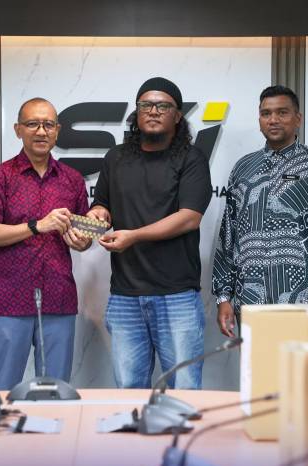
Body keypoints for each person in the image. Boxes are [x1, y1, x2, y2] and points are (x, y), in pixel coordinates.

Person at [88, 77, 212, 389]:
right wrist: (96, 215)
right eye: (146, 105)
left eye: (163, 106)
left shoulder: (191, 158)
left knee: (184, 391)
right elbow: (102, 205)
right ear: (137, 111)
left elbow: (189, 218)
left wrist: (132, 236)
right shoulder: (116, 158)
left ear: (178, 115)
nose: (153, 111)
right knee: (129, 391)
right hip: (125, 296)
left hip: (177, 295)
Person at [0, 98, 91, 391]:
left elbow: (84, 235)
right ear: (18, 130)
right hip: (9, 299)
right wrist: (36, 226)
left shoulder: (72, 180)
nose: (41, 131)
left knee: (56, 391)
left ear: (57, 130)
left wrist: (82, 242)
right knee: (4, 390)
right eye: (32, 124)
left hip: (58, 298)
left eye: (48, 124)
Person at [212, 85, 308, 337]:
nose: (273, 119)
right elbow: (228, 235)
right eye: (266, 113)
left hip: (303, 302)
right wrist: (223, 296)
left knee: (300, 363)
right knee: (254, 363)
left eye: (282, 112)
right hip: (249, 299)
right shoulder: (243, 168)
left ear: (298, 119)